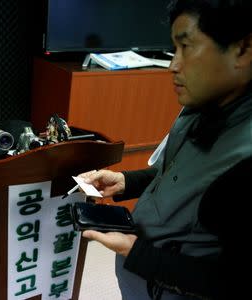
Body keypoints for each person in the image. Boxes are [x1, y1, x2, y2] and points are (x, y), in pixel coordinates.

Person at [78, 0, 252, 299]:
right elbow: (177, 174)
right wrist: (127, 182)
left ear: (242, 50)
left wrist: (138, 254)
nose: (173, 65)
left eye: (187, 47)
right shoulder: (201, 104)